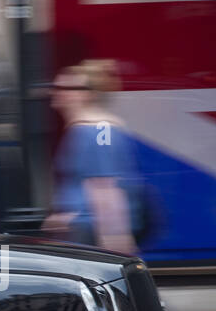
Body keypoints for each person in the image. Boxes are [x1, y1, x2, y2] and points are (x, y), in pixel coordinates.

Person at [42, 59, 142, 254]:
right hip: (84, 229)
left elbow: (105, 186)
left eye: (64, 87)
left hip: (92, 233)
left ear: (86, 94)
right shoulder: (83, 129)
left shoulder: (99, 130)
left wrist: (115, 242)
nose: (55, 92)